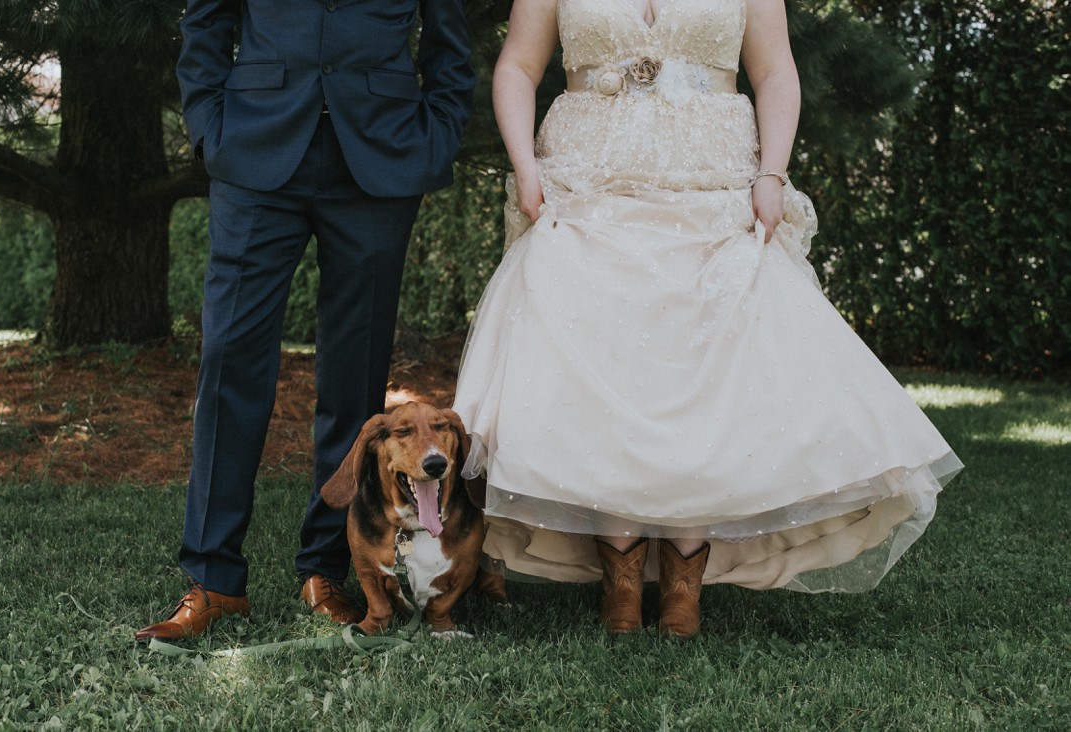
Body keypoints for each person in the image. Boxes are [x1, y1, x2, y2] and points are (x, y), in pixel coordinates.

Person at [452, 0, 962, 638]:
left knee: (702, 369)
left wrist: (772, 173)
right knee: (607, 365)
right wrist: (526, 167)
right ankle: (621, 580)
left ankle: (684, 583)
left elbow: (775, 72)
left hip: (715, 186)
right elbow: (518, 68)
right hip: (587, 188)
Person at [136, 0, 475, 641]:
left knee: (355, 374)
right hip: (255, 148)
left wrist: (439, 133)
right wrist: (210, 127)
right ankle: (214, 581)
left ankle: (325, 571)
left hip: (381, 156)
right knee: (229, 358)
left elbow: (450, 43)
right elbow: (206, 20)